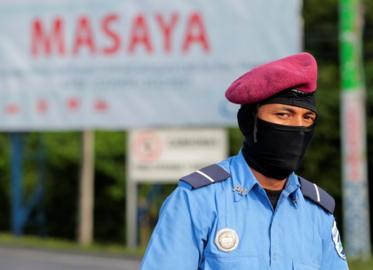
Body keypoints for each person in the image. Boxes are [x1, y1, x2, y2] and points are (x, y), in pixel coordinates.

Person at [141, 52, 349, 270]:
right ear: (249, 122)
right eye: (283, 115)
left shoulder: (317, 213)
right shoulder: (197, 201)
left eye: (307, 118)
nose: (298, 128)